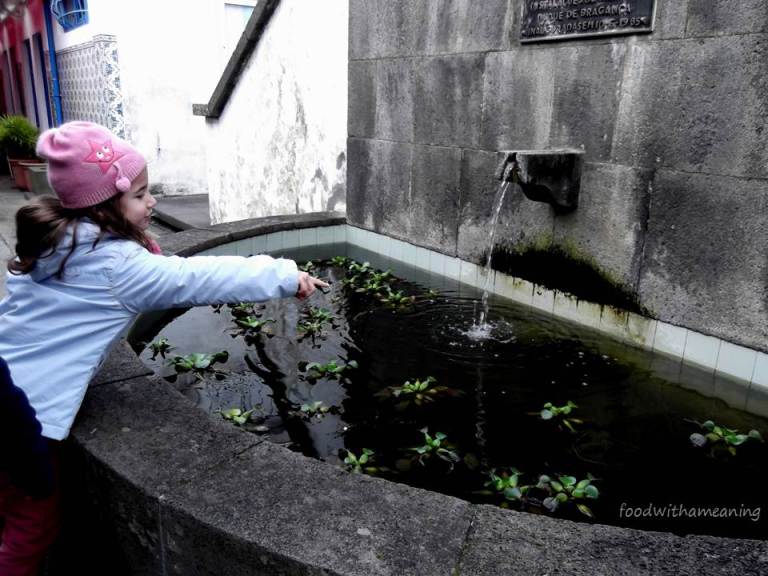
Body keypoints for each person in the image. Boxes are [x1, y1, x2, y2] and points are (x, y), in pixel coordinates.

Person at [0, 121, 327, 575]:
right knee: (31, 524)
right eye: (138, 194)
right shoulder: (117, 267)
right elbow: (199, 279)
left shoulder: (63, 240)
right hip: (25, 418)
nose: (152, 201)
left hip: (9, 383)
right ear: (104, 204)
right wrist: (285, 276)